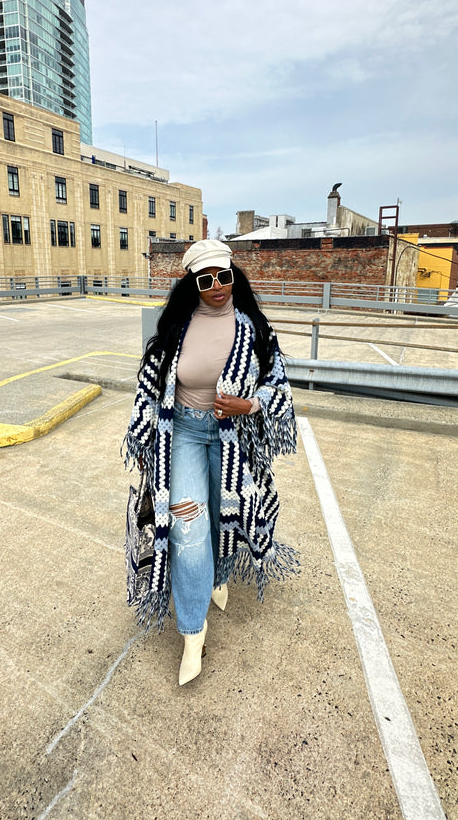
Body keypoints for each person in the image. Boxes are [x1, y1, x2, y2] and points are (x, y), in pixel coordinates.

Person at [123, 239, 298, 685]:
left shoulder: (254, 329)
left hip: (232, 440)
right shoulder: (176, 327)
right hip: (181, 433)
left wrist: (252, 404)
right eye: (206, 279)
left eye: (224, 276)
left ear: (233, 275)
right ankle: (193, 634)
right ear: (193, 283)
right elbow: (148, 387)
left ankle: (219, 577)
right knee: (188, 526)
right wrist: (144, 440)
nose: (217, 286)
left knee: (224, 518)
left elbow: (280, 386)